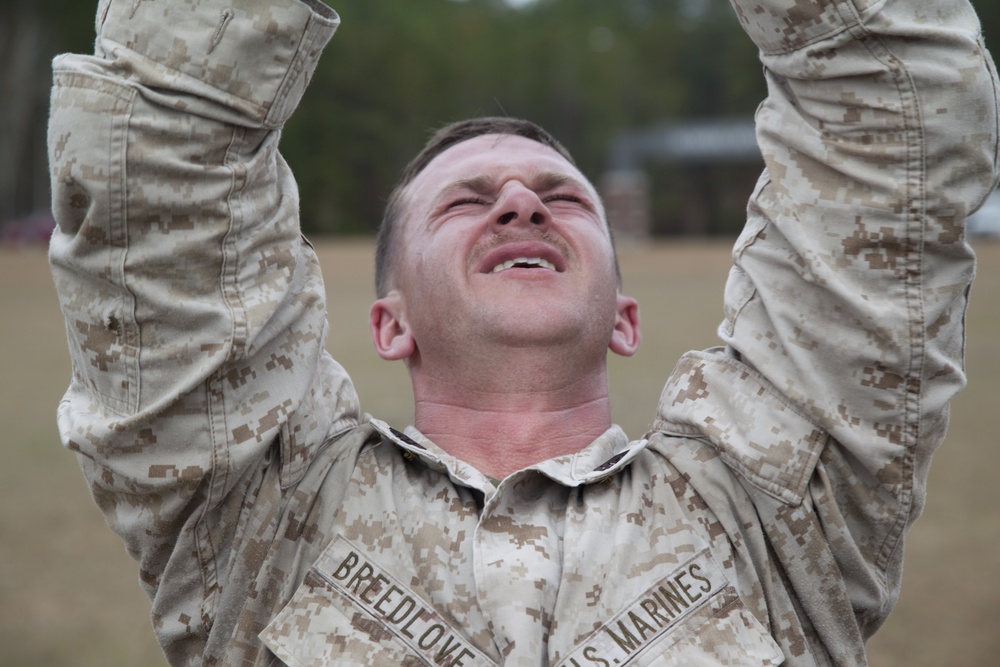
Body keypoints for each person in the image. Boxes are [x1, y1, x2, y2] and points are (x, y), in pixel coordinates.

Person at [47, 0, 998, 665]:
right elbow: (152, 164)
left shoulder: (779, 514)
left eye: (560, 197)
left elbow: (898, 124)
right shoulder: (260, 519)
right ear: (391, 322)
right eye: (465, 200)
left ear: (623, 318)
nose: (517, 203)